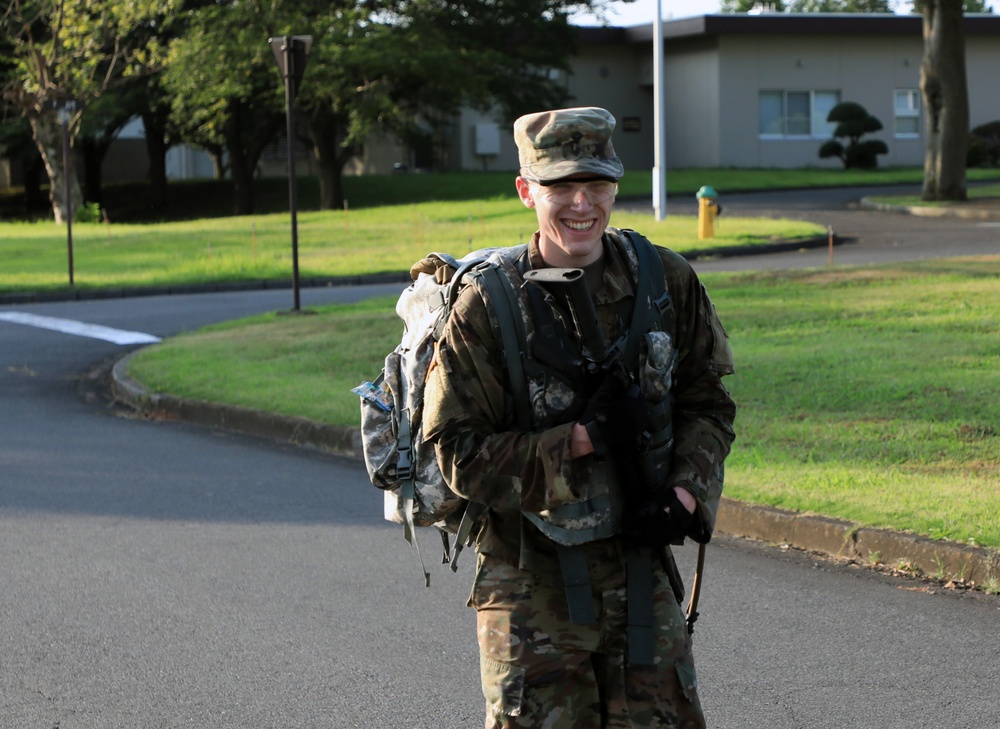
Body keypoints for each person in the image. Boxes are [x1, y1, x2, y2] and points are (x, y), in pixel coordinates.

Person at [422, 106, 736, 729]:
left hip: (640, 570)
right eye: (560, 186)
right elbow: (458, 452)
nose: (581, 204)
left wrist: (686, 493)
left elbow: (707, 402)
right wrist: (584, 441)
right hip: (528, 585)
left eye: (596, 184)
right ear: (525, 190)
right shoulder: (489, 303)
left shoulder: (663, 281)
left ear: (617, 184)